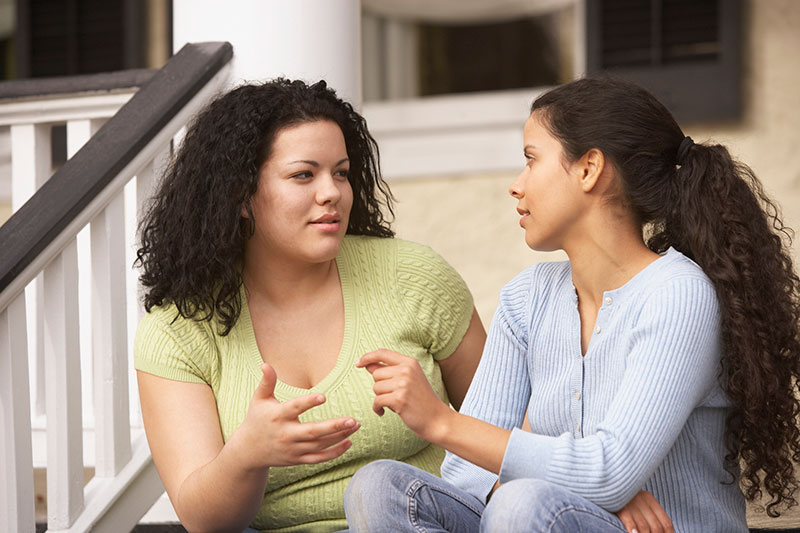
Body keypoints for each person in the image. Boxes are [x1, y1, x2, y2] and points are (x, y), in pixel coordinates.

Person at [343, 76, 800, 532]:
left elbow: (609, 471)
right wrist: (582, 484)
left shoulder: (677, 293)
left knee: (523, 506)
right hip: (551, 518)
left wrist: (440, 422)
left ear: (589, 169)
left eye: (530, 160)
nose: (516, 186)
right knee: (379, 487)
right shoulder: (528, 298)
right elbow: (465, 472)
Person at [133, 78, 487, 533]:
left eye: (340, 172)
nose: (332, 193)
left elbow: (500, 434)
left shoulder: (413, 277)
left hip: (421, 522)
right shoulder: (180, 330)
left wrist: (436, 419)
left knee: (379, 490)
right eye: (304, 175)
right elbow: (204, 520)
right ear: (240, 195)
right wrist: (248, 453)